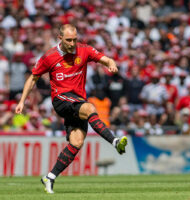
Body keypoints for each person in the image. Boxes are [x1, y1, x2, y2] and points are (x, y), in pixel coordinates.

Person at [15, 24, 128, 194]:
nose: (73, 43)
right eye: (69, 40)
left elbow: (106, 59)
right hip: (61, 100)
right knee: (90, 107)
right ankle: (115, 141)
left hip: (77, 102)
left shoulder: (84, 49)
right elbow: (33, 78)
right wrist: (22, 101)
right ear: (60, 38)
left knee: (77, 142)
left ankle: (50, 177)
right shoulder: (49, 56)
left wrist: (111, 64)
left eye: (75, 39)